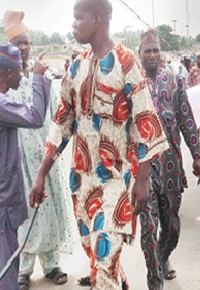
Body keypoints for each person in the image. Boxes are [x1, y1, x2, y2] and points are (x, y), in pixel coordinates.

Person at [28, 1, 168, 289]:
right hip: (82, 182)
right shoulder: (77, 66)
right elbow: (62, 122)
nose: (73, 25)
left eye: (77, 18)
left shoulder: (127, 61)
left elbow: (146, 122)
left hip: (117, 182)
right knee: (101, 262)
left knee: (104, 269)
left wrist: (142, 180)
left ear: (97, 18)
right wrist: (42, 173)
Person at [3, 10, 72, 289]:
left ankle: (52, 264)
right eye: (18, 43)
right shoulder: (7, 82)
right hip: (17, 165)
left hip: (44, 158)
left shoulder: (37, 78)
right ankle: (24, 268)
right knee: (23, 217)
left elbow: (55, 116)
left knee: (49, 208)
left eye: (27, 42)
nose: (24, 47)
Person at [138, 29, 200, 290]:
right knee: (148, 227)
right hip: (143, 170)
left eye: (156, 50)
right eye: (147, 51)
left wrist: (196, 155)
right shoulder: (133, 83)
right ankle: (155, 282)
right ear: (139, 54)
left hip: (172, 166)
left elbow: (187, 119)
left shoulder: (174, 80)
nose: (152, 55)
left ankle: (163, 257)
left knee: (172, 226)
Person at [0, 43, 51, 290]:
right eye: (20, 69)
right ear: (9, 73)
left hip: (6, 200)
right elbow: (35, 117)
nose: (23, 73)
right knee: (6, 272)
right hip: (2, 205)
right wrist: (39, 77)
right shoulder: (0, 105)